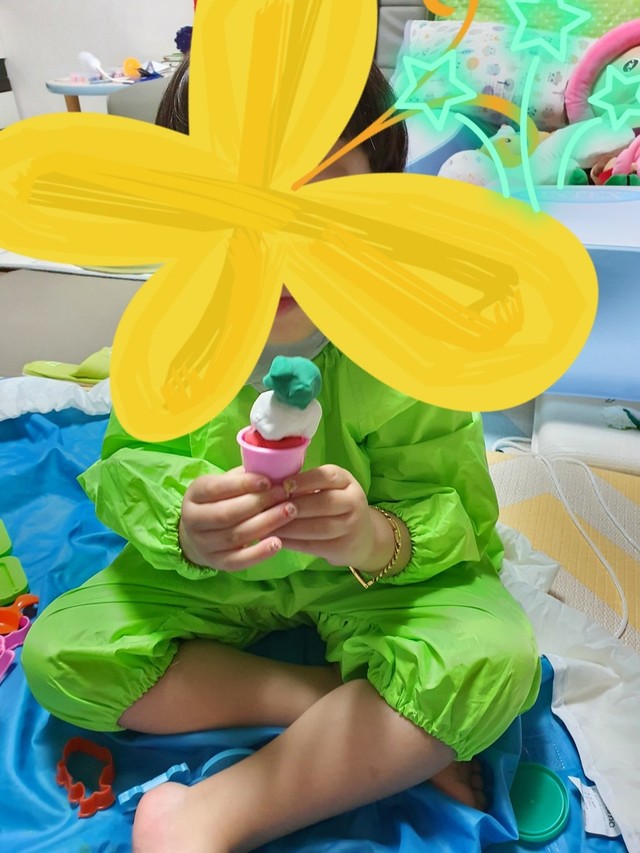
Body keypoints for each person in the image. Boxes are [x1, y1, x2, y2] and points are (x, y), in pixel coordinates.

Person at [22, 57, 541, 853]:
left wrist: (371, 535)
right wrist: (183, 525)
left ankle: (211, 813)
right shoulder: (173, 330)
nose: (274, 243)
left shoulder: (404, 345)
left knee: (491, 659)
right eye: (234, 208)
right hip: (210, 582)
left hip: (370, 582)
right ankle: (328, 703)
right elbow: (130, 463)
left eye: (317, 203)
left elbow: (456, 509)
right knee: (63, 654)